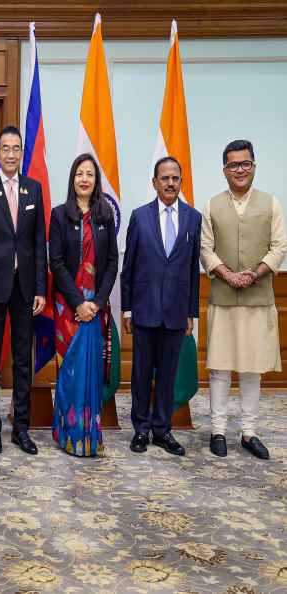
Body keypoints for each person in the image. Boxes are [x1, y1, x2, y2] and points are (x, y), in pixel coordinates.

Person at [200, 139, 287, 459]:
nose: (240, 170)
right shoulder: (211, 205)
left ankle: (249, 433)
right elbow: (205, 249)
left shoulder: (271, 203)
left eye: (245, 164)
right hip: (223, 298)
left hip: (258, 298)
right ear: (224, 170)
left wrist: (255, 273)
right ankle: (218, 430)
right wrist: (227, 274)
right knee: (220, 368)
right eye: (233, 165)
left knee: (252, 369)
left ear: (254, 166)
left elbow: (279, 246)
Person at [0, 126, 48, 455]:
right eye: (6, 148)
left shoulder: (34, 190)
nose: (12, 154)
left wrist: (41, 289)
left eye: (16, 148)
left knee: (22, 362)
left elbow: (38, 243)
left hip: (26, 291)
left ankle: (21, 429)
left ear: (21, 152)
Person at [121, 156, 201, 456]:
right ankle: (141, 429)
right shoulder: (139, 216)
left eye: (175, 178)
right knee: (141, 373)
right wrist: (127, 309)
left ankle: (162, 429)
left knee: (167, 374)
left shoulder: (193, 218)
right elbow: (128, 268)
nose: (170, 183)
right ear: (154, 183)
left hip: (176, 312)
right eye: (164, 178)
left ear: (181, 182)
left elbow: (193, 269)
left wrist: (191, 312)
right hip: (144, 310)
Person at [48, 154, 118, 457]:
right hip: (68, 308)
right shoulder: (59, 215)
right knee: (70, 371)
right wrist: (79, 302)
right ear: (72, 179)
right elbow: (57, 262)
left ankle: (89, 436)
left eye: (90, 174)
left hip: (96, 308)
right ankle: (68, 434)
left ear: (96, 181)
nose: (85, 179)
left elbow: (113, 262)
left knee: (90, 372)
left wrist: (98, 302)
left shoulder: (105, 216)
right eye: (80, 173)